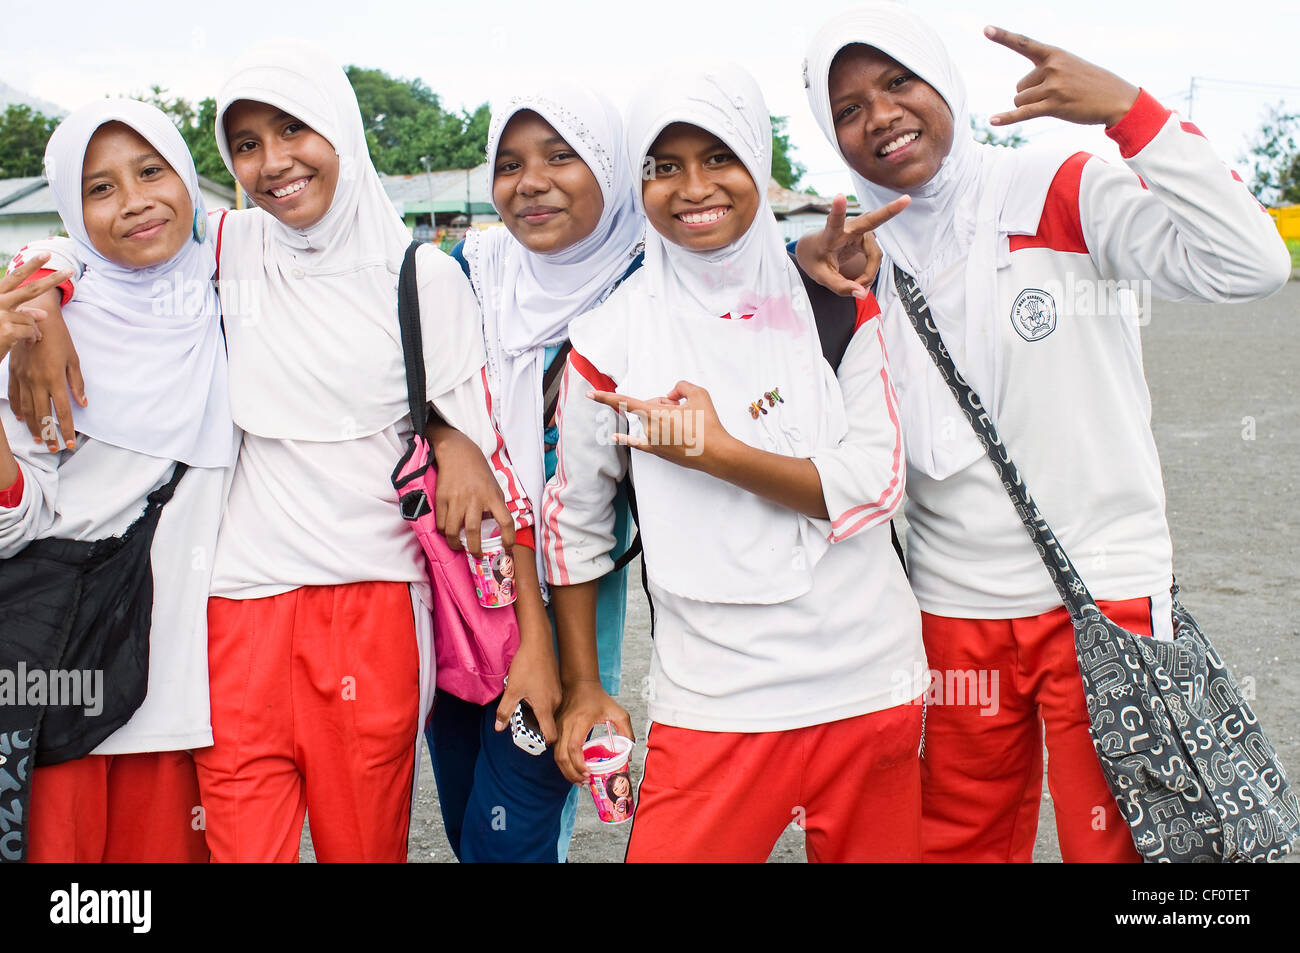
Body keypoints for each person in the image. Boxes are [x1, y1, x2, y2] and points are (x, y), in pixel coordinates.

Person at [7, 41, 549, 863]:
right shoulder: (229, 249)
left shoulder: (424, 278)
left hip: (373, 607)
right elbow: (94, 245)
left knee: (360, 847)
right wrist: (42, 307)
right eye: (248, 145)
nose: (273, 163)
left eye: (293, 129)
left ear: (340, 129)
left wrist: (451, 438)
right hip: (234, 613)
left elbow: (487, 479)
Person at [798, 2, 1292, 862]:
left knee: (1131, 847)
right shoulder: (852, 253)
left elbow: (1250, 264)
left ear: (943, 81)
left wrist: (1130, 113)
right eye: (846, 108)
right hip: (952, 608)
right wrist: (821, 304)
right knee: (959, 844)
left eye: (897, 81)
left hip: (1104, 591)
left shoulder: (1057, 184)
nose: (878, 115)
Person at [543, 63, 926, 863]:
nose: (692, 187)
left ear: (758, 159)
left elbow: (872, 485)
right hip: (714, 700)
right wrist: (584, 684)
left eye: (719, 156)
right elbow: (574, 524)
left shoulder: (831, 296)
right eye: (663, 165)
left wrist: (717, 452)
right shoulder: (608, 343)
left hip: (865, 682)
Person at [0, 99, 238, 862]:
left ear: (187, 175)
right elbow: (15, 522)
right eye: (98, 189)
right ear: (72, 207)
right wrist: (41, 292)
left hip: (182, 692)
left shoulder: (230, 293)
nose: (133, 201)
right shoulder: (41, 335)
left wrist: (47, 277)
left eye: (150, 170)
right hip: (67, 681)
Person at [426, 83, 644, 863]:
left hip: (567, 596)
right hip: (458, 585)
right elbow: (419, 375)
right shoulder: (471, 271)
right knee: (462, 813)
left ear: (611, 169)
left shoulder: (651, 283)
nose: (531, 181)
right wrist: (450, 438)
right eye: (509, 163)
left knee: (512, 826)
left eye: (562, 155)